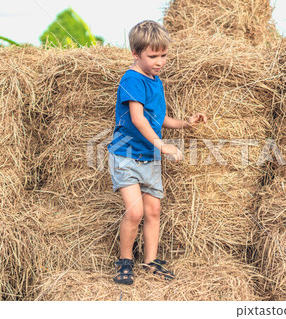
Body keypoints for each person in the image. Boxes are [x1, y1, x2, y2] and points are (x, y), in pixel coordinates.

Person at [108, 20, 207, 285]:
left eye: (163, 55)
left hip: (148, 157)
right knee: (134, 212)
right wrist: (162, 145)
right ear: (135, 54)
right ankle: (125, 261)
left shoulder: (155, 80)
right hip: (126, 155)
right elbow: (138, 118)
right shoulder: (131, 79)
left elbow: (157, 118)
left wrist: (185, 123)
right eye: (152, 56)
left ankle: (150, 261)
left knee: (153, 210)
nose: (159, 61)